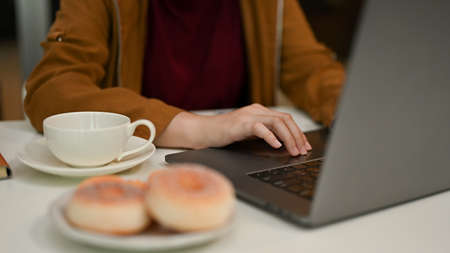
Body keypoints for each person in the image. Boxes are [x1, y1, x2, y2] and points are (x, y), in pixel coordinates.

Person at [24, 0, 345, 156]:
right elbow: (52, 88)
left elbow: (312, 69)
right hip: (140, 167)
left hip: (242, 167)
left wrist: (362, 112)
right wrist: (201, 129)